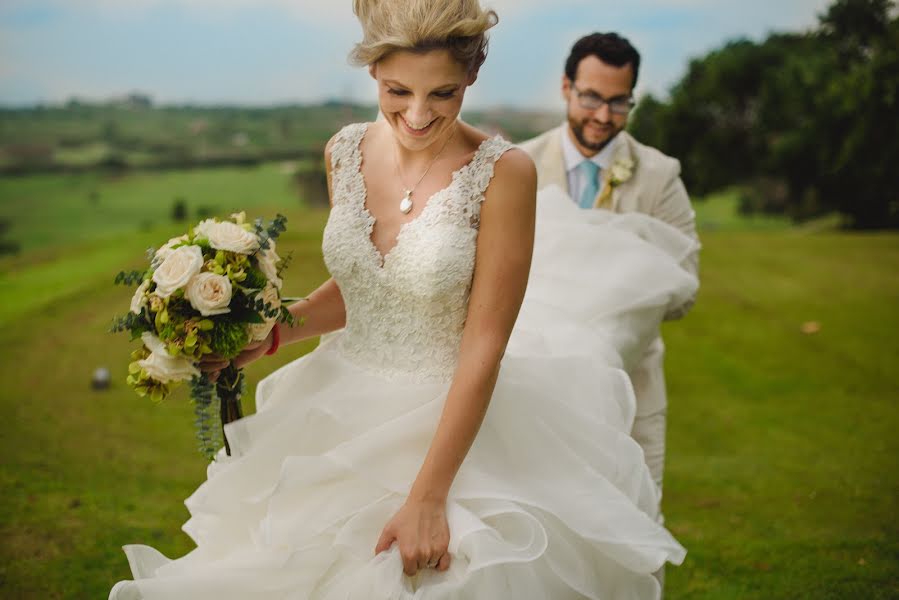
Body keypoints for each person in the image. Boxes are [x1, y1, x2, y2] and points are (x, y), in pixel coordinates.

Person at [109, 3, 696, 599]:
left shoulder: (505, 174)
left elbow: (485, 343)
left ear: (472, 75)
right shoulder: (344, 151)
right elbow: (367, 289)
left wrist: (428, 498)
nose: (417, 115)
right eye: (397, 91)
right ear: (372, 73)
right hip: (337, 408)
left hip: (450, 420)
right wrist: (275, 332)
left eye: (442, 93)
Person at [521, 32, 700, 504]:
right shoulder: (518, 166)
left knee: (636, 527)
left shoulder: (660, 175)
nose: (603, 117)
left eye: (619, 103)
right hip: (530, 394)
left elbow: (686, 290)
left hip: (631, 395)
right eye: (592, 98)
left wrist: (620, 285)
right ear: (566, 87)